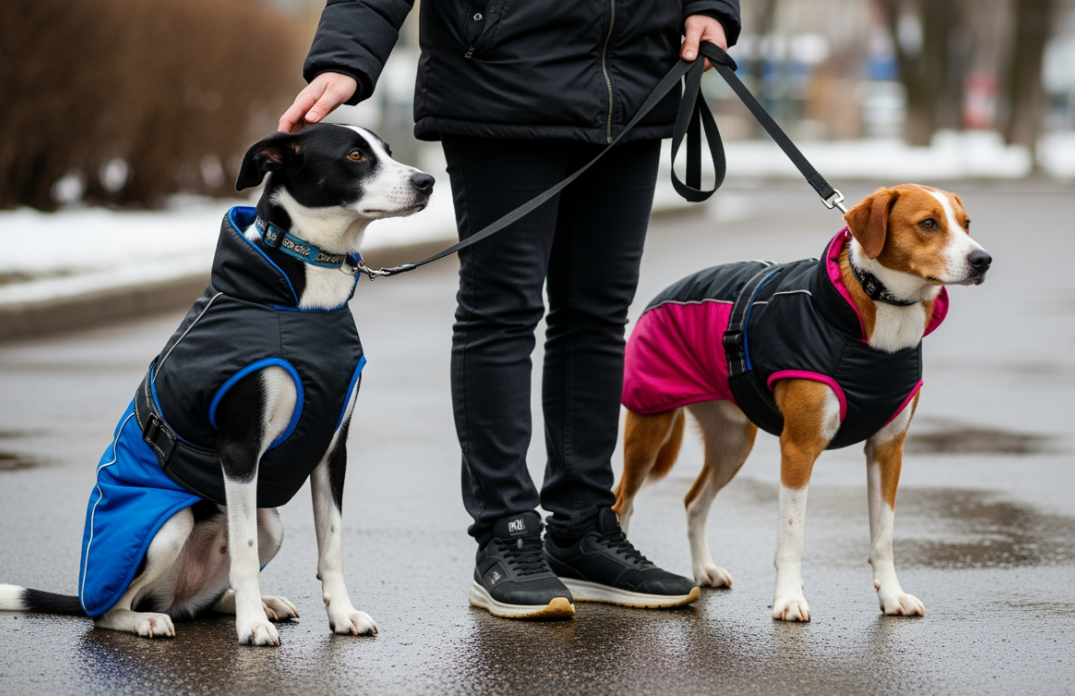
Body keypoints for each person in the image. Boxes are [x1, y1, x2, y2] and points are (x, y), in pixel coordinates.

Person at [280, 0, 740, 619]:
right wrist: (347, 55)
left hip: (633, 81)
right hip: (501, 75)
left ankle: (584, 529)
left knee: (598, 317)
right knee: (502, 311)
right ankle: (506, 535)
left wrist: (709, 6)